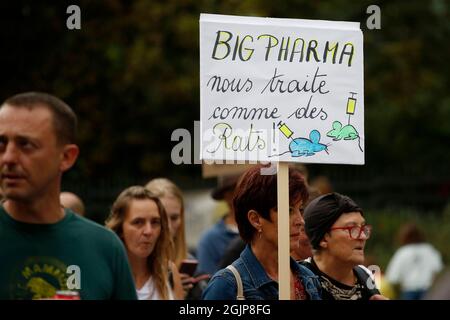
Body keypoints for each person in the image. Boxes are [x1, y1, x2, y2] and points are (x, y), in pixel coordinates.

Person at [0, 92, 136, 299]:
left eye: (25, 144)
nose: (8, 157)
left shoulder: (104, 247)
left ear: (66, 157)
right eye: (1, 144)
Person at [202, 164, 321, 300]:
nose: (301, 221)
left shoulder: (308, 278)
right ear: (256, 220)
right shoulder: (227, 286)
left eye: (300, 209)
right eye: (288, 211)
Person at [302, 192, 387, 300]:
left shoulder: (365, 274)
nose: (363, 236)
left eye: (363, 228)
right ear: (323, 238)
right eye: (352, 229)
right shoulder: (299, 280)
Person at [106, 186, 184, 300]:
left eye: (155, 222)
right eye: (138, 222)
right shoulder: (105, 275)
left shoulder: (169, 273)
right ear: (120, 228)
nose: (148, 231)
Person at [145, 178, 199, 297]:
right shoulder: (134, 262)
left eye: (174, 218)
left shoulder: (190, 261)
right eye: (161, 217)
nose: (168, 226)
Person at [196, 174, 240, 276]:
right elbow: (207, 284)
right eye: (238, 189)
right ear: (226, 196)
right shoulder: (210, 239)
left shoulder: (263, 231)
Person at [385, 222, 443, 300]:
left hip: (408, 292)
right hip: (427, 291)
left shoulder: (402, 252)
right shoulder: (430, 250)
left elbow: (392, 277)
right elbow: (439, 270)